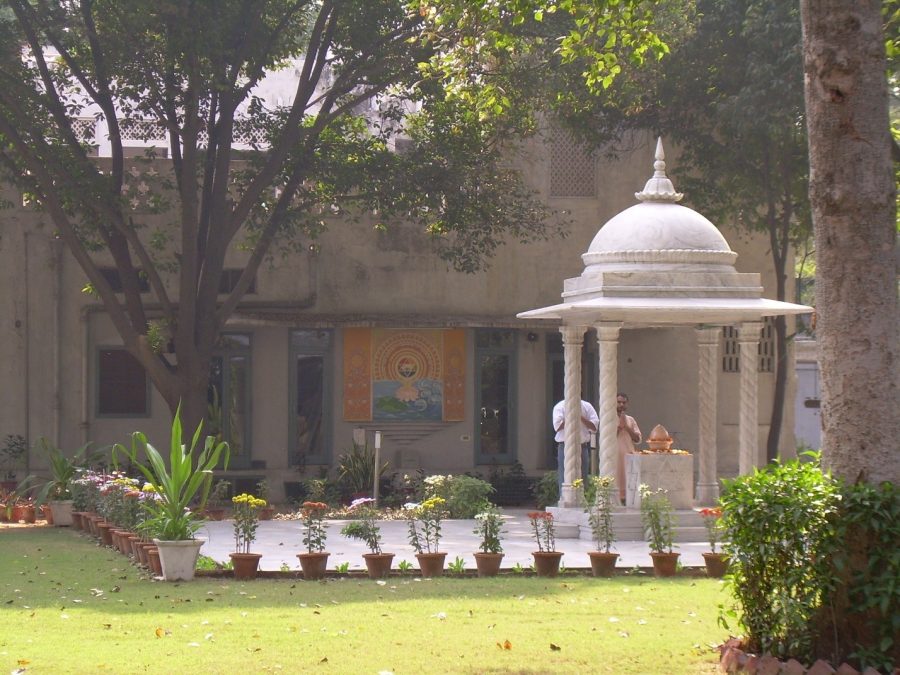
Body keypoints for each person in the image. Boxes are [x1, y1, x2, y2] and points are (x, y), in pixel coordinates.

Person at [552, 398, 599, 499]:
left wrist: (580, 416)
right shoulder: (560, 406)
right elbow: (557, 427)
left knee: (583, 475)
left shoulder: (587, 406)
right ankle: (564, 499)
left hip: (582, 445)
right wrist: (570, 415)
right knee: (565, 475)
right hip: (564, 445)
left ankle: (583, 500)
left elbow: (594, 426)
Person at [616, 392, 642, 504]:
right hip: (614, 457)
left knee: (629, 482)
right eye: (619, 402)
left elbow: (638, 439)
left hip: (628, 456)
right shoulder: (608, 419)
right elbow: (606, 438)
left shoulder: (630, 420)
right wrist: (619, 427)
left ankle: (629, 501)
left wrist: (626, 427)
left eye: (624, 402)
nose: (621, 404)